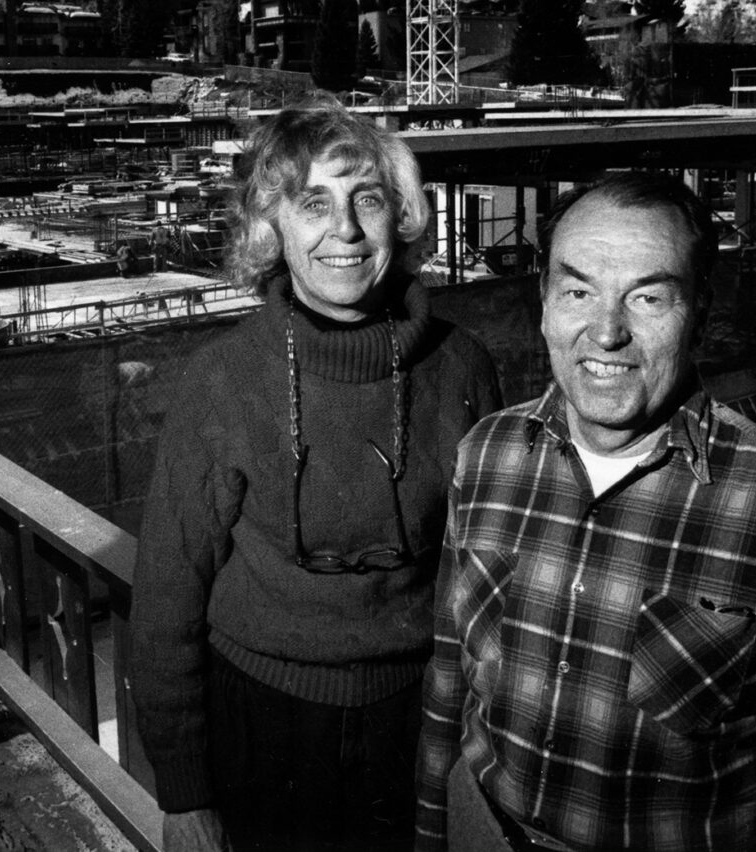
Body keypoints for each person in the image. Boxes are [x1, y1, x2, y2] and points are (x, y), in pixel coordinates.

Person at [415, 172, 756, 852]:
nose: (606, 332)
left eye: (648, 297)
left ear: (699, 314)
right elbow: (447, 683)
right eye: (577, 291)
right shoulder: (486, 458)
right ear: (544, 305)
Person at [130, 99, 502, 852]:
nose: (346, 231)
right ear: (275, 228)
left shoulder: (460, 367)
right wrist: (184, 792)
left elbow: (492, 581)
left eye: (367, 199)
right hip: (262, 728)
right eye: (314, 203)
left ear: (399, 219)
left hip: (421, 720)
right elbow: (167, 601)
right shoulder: (221, 381)